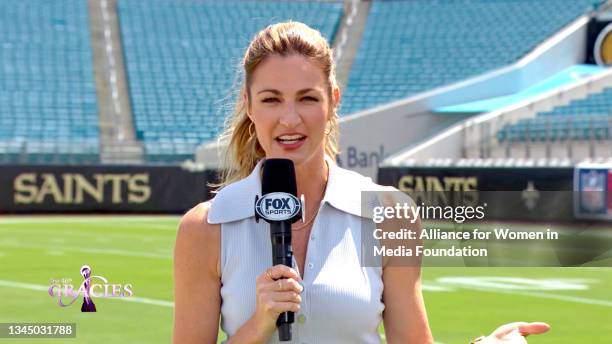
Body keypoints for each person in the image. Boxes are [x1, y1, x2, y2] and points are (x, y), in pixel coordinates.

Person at [173, 21, 550, 343]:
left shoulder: (390, 213)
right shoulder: (205, 227)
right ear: (249, 105)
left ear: (333, 101)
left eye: (307, 98)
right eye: (272, 99)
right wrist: (258, 324)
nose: (290, 119)